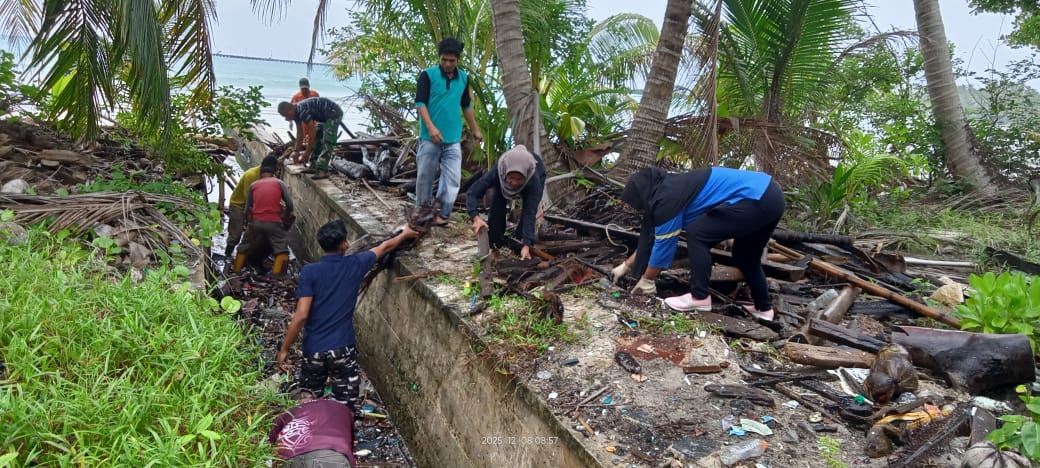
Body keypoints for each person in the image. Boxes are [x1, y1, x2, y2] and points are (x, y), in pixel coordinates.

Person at [276, 220, 419, 413]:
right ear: (344, 244)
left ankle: (310, 437)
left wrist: (285, 348)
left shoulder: (310, 272)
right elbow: (385, 247)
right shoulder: (356, 264)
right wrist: (405, 234)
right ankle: (339, 436)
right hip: (342, 349)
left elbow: (301, 315)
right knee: (345, 405)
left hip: (314, 349)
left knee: (308, 400)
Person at [611, 167, 785, 321]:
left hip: (755, 197)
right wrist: (626, 265)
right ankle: (764, 308)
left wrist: (647, 281)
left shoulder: (666, 201)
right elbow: (652, 237)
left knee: (698, 233)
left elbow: (663, 246)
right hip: (771, 196)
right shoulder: (670, 187)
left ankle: (699, 297)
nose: (638, 209)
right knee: (746, 255)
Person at [414, 37, 483, 226]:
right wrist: (430, 127)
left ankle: (442, 215)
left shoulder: (463, 79)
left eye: (451, 60)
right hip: (430, 138)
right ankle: (422, 213)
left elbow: (466, 106)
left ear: (458, 60)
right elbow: (421, 103)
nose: (447, 64)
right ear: (440, 58)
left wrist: (475, 129)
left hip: (452, 139)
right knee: (424, 177)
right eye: (444, 59)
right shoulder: (427, 75)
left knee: (452, 179)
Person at [465, 145, 545, 260]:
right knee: (497, 204)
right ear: (505, 173)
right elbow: (473, 192)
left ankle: (520, 247)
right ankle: (494, 244)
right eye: (511, 177)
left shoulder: (533, 178)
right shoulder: (498, 170)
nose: (514, 182)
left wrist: (527, 244)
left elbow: (530, 212)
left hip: (535, 175)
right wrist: (475, 217)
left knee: (527, 214)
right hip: (501, 181)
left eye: (519, 179)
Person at [268, 388, 357, 467]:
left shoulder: (287, 413)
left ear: (292, 403)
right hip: (332, 455)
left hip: (290, 457)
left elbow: (269, 442)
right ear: (314, 398)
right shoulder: (339, 407)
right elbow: (350, 441)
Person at [235, 159, 294, 275]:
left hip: (256, 222)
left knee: (244, 245)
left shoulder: (253, 185)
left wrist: (249, 224)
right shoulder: (279, 183)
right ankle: (276, 277)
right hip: (274, 222)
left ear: (261, 175)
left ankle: (236, 270)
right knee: (281, 248)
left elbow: (247, 209)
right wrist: (286, 217)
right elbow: (290, 204)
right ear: (273, 173)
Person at [277, 97, 343, 180]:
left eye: (285, 115)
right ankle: (314, 165)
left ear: (290, 109)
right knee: (318, 140)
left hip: (333, 113)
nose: (286, 118)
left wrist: (307, 153)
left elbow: (312, 131)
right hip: (324, 117)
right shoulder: (296, 114)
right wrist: (296, 151)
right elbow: (300, 133)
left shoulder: (301, 110)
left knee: (327, 140)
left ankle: (322, 170)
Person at [225, 155, 278, 258]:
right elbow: (249, 199)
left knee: (251, 236)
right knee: (235, 235)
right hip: (239, 204)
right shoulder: (251, 175)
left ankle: (244, 256)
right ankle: (228, 254)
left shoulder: (270, 176)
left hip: (254, 205)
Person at [289, 77, 321, 160]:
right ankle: (303, 153)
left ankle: (311, 154)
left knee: (314, 136)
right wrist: (291, 122)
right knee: (303, 136)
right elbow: (290, 110)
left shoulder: (314, 94)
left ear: (309, 87)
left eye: (306, 88)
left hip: (313, 120)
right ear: (300, 88)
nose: (305, 91)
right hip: (303, 122)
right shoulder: (296, 97)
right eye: (303, 89)